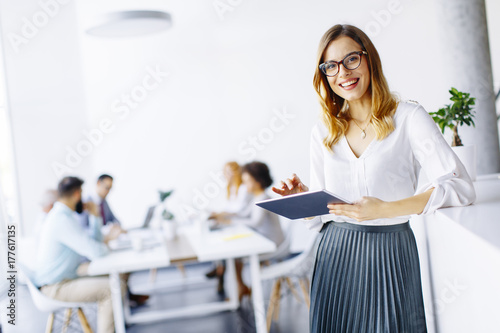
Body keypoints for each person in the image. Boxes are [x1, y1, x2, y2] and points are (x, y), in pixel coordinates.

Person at [272, 24, 475, 333]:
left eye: (351, 59)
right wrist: (303, 198)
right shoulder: (323, 131)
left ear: (369, 59)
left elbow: (460, 186)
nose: (343, 72)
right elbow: (319, 219)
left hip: (390, 252)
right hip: (335, 254)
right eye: (331, 66)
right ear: (324, 75)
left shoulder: (408, 117)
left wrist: (386, 209)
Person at [33, 176, 124, 333]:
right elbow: (97, 251)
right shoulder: (61, 220)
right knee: (112, 288)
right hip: (56, 287)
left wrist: (95, 216)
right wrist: (104, 244)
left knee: (117, 277)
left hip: (65, 278)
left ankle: (121, 323)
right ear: (76, 194)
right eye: (81, 193)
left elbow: (94, 244)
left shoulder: (65, 216)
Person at [226, 161, 285, 301]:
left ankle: (241, 288)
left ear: (257, 181)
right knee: (237, 254)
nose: (244, 184)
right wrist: (225, 216)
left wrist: (229, 221)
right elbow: (244, 214)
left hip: (273, 244)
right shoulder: (256, 197)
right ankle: (242, 287)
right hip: (266, 239)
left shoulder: (264, 198)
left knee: (236, 255)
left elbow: (254, 222)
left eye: (246, 181)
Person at [206, 162, 253, 293]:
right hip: (233, 222)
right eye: (225, 172)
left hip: (241, 224)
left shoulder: (243, 188)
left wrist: (221, 215)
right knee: (214, 233)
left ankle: (221, 270)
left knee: (224, 241)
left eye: (229, 172)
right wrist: (218, 213)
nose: (226, 175)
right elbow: (228, 207)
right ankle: (220, 268)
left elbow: (238, 211)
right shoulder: (231, 188)